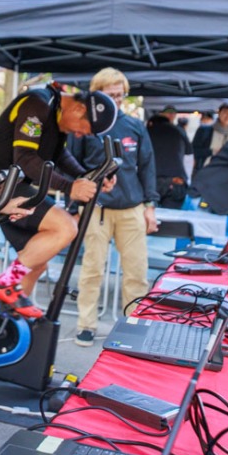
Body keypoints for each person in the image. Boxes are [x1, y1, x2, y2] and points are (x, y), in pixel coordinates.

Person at [0, 82, 118, 311]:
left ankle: (6, 318)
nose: (78, 135)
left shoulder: (56, 112)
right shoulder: (37, 104)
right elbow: (25, 158)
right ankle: (5, 283)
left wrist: (87, 176)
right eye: (82, 130)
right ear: (78, 109)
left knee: (37, 261)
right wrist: (69, 187)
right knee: (66, 227)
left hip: (12, 182)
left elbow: (59, 155)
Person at [69, 68, 158, 348]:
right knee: (92, 270)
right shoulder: (85, 126)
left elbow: (147, 166)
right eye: (111, 95)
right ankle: (86, 324)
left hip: (131, 208)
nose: (117, 100)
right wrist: (75, 205)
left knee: (136, 272)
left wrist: (150, 206)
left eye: (120, 95)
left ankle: (133, 325)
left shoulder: (135, 125)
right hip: (96, 208)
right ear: (97, 95)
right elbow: (71, 165)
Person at [147, 108, 191, 208]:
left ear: (151, 123)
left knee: (150, 214)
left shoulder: (147, 132)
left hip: (152, 181)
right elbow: (189, 156)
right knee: (172, 215)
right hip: (176, 181)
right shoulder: (179, 131)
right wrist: (186, 180)